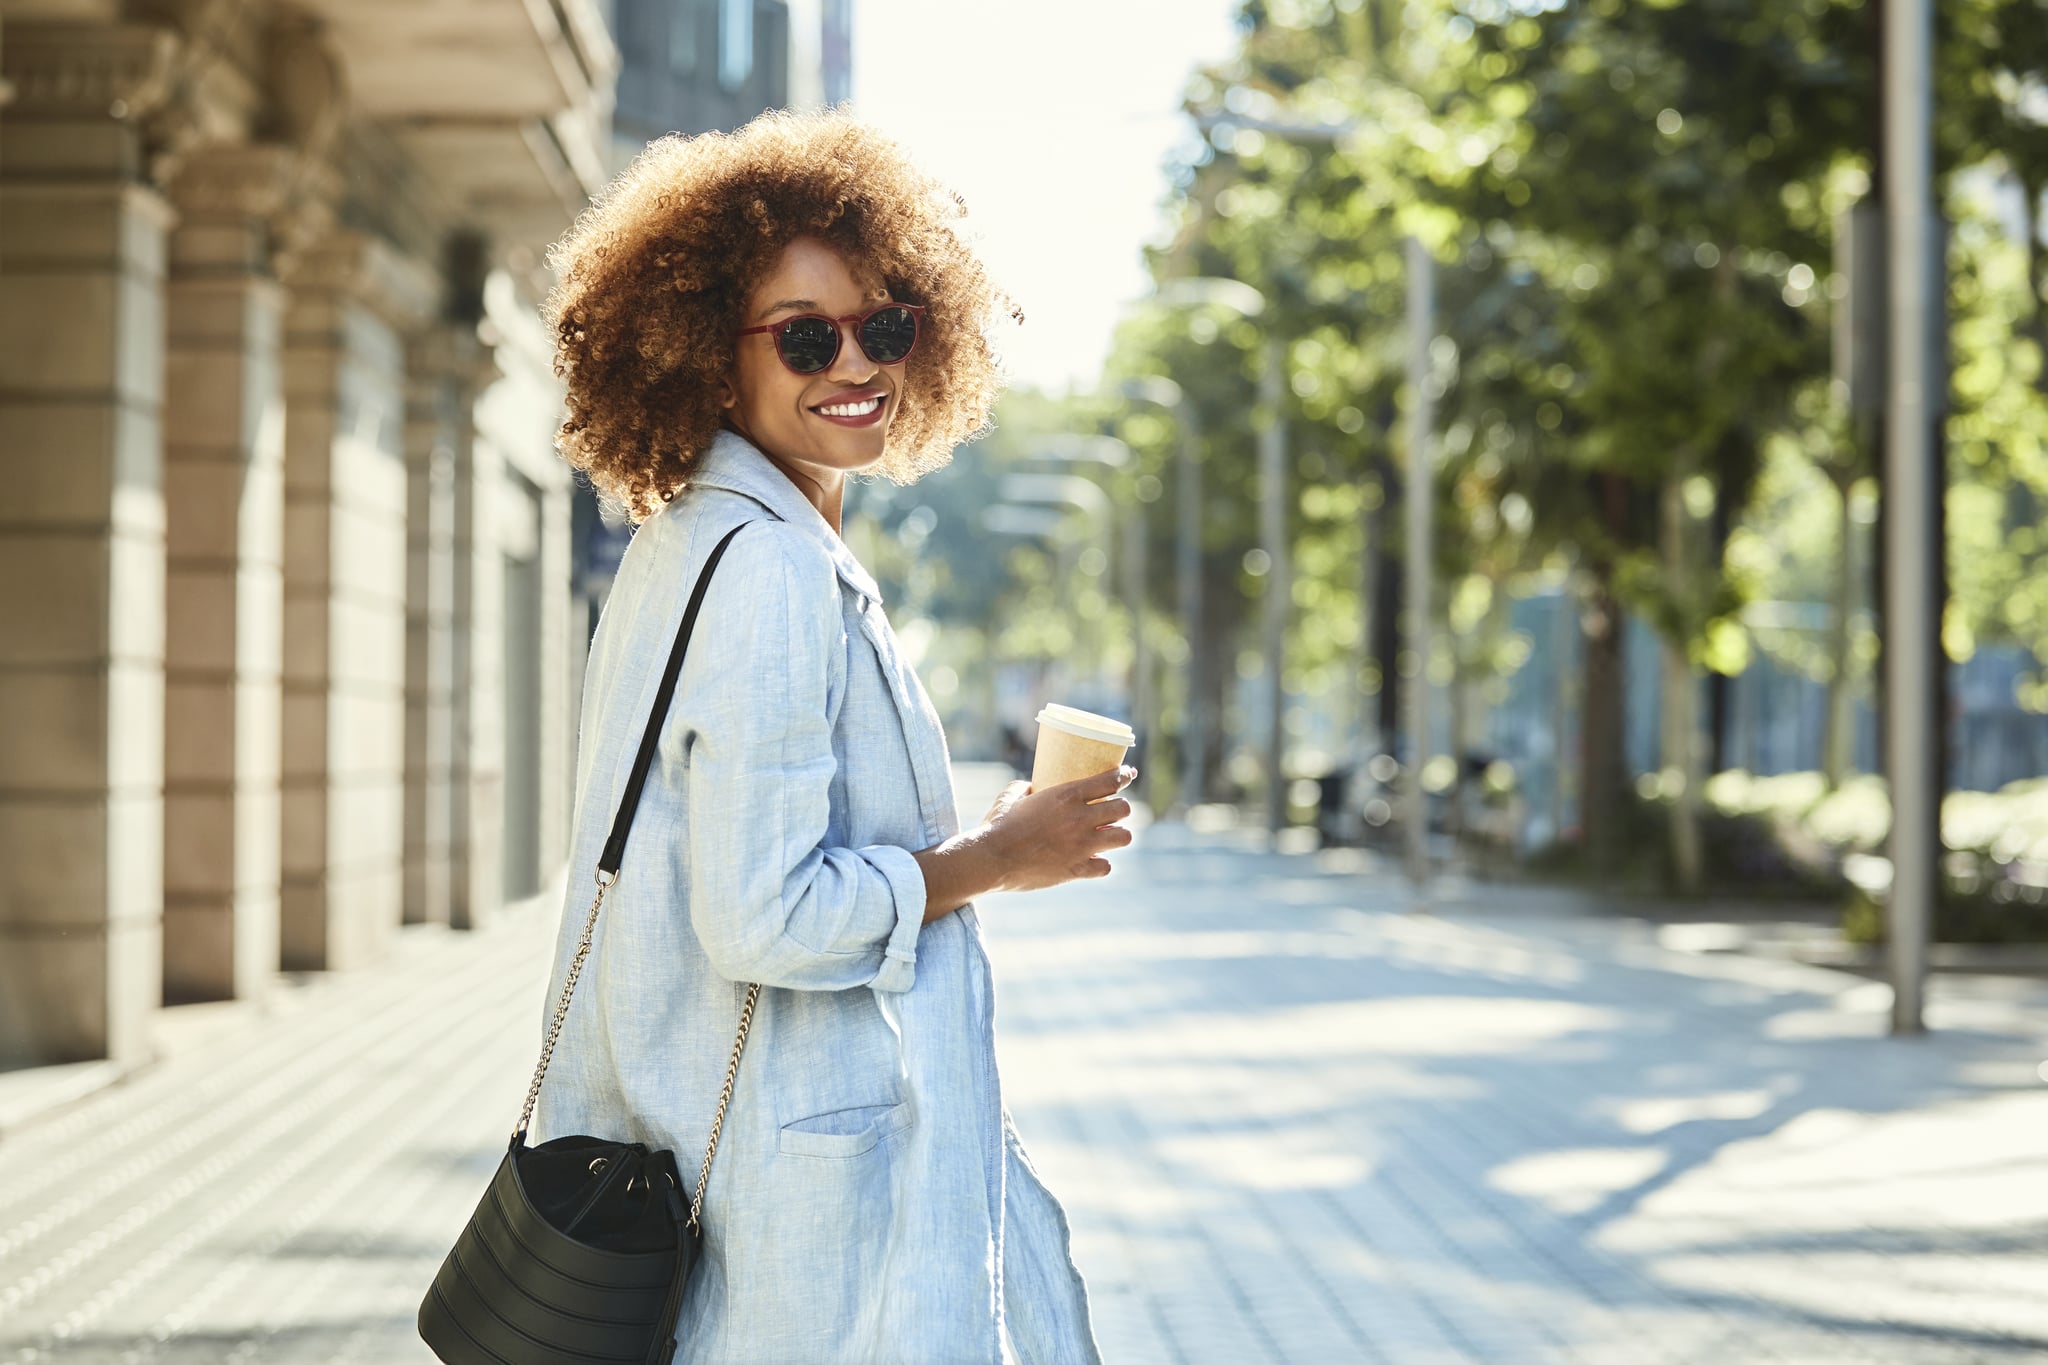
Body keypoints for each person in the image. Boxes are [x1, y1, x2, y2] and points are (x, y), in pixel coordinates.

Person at [527, 109, 1126, 1364]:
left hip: (731, 1155)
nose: (853, 363)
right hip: (797, 1216)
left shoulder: (697, 539)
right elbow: (762, 916)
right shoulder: (768, 573)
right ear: (706, 355)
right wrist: (995, 858)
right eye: (804, 336)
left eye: (883, 327)